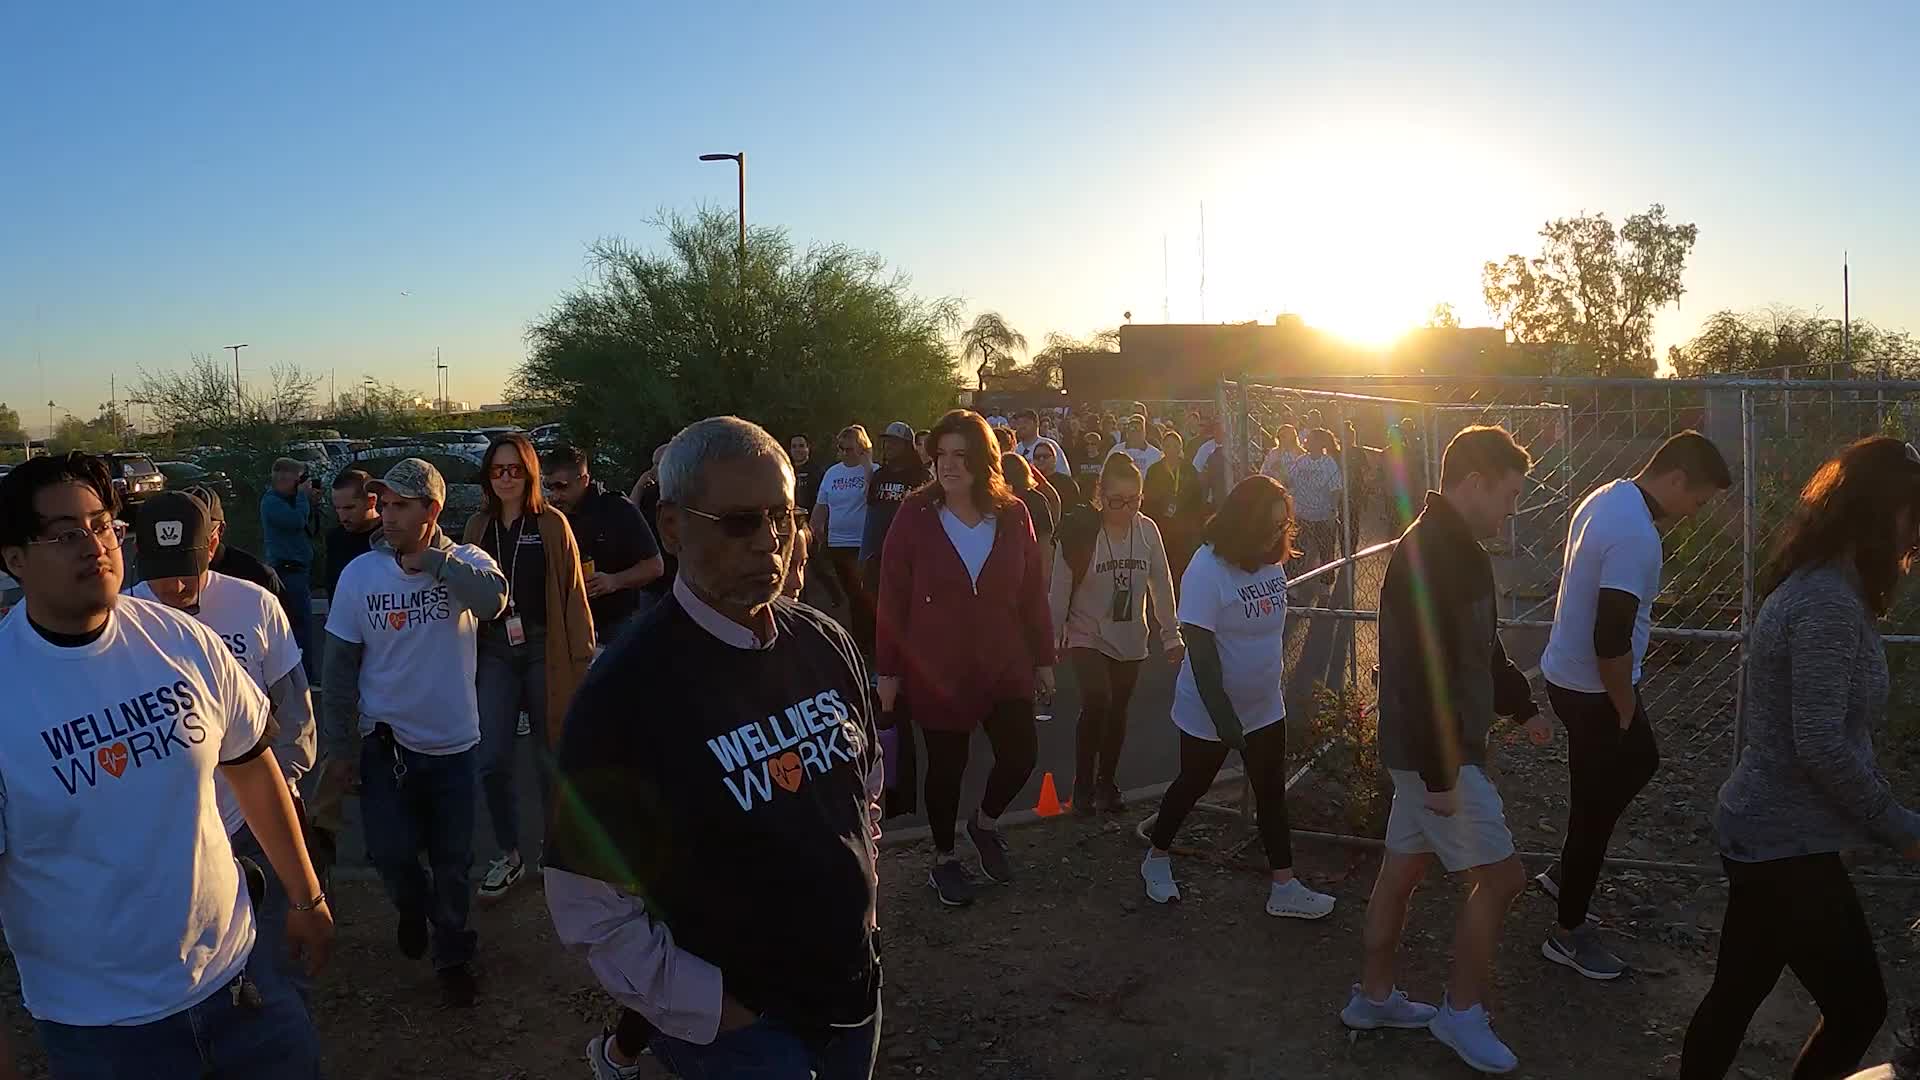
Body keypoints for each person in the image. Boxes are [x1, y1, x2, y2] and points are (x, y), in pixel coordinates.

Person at [545, 417, 883, 1080]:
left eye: (782, 516)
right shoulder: (626, 692)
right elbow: (588, 900)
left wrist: (866, 909)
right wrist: (711, 1009)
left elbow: (864, 788)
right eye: (738, 522)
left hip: (855, 990)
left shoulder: (825, 641)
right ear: (672, 527)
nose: (769, 542)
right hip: (746, 1031)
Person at [0, 453, 330, 1075]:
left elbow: (254, 769)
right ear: (14, 559)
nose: (94, 545)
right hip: (105, 1030)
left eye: (103, 526)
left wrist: (307, 897)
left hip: (243, 984)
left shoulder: (183, 640)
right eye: (66, 533)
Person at [1679, 437, 1920, 1080]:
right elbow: (1819, 743)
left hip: (1768, 831)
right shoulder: (1827, 603)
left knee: (1737, 992)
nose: (1913, 537)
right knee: (1859, 1006)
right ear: (1881, 513)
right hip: (1784, 841)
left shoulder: (1826, 587)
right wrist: (1902, 829)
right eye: (1912, 517)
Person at [1342, 425, 1550, 1074]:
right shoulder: (1435, 553)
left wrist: (1520, 705)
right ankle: (1461, 1016)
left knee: (1401, 872)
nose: (1513, 508)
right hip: (1438, 756)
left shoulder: (1459, 549)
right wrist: (1439, 773)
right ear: (1473, 484)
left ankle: (1374, 999)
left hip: (1428, 755)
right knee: (1503, 877)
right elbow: (1421, 670)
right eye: (1510, 494)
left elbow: (1480, 649)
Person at [1536, 430, 1732, 979]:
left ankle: (1567, 871)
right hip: (1595, 688)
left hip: (1570, 676)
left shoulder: (1607, 495)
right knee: (1597, 806)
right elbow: (1611, 636)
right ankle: (1568, 932)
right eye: (1698, 500)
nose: (1697, 512)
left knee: (1634, 767)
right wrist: (1624, 705)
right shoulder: (1637, 534)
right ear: (1675, 480)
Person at [321, 457, 508, 1006]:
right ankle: (411, 907)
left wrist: (435, 562)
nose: (387, 516)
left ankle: (453, 953)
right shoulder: (360, 575)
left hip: (453, 745)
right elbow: (338, 670)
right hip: (386, 745)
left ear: (433, 510)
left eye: (402, 506)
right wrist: (341, 749)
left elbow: (493, 602)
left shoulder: (467, 561)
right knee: (392, 854)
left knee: (453, 862)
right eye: (385, 505)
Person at [128, 491, 319, 1002]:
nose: (174, 585)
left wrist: (286, 783)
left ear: (211, 545)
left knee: (278, 950)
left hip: (254, 818)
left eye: (186, 568)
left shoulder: (254, 602)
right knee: (196, 955)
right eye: (160, 570)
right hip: (180, 829)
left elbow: (293, 702)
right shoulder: (125, 622)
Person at [878, 410, 1055, 907]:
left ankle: (985, 823)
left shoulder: (1014, 514)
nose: (949, 466)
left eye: (961, 456)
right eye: (941, 456)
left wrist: (1043, 658)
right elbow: (891, 596)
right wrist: (887, 670)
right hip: (938, 667)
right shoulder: (914, 514)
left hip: (1005, 661)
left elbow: (1031, 593)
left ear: (984, 460)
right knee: (946, 768)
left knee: (1021, 753)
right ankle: (942, 858)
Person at [1140, 475, 1336, 920]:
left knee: (1271, 792)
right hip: (1211, 709)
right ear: (1242, 524)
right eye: (1269, 527)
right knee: (1193, 784)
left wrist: (1260, 703)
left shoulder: (1270, 561)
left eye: (1282, 525)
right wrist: (1224, 719)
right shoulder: (1206, 569)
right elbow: (1202, 653)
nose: (1278, 535)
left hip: (1265, 705)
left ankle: (1284, 887)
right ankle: (1156, 856)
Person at [465, 433, 596, 902]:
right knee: (491, 760)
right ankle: (509, 852)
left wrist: (583, 657)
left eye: (513, 470)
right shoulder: (478, 527)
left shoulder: (552, 525)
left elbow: (574, 596)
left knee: (550, 756)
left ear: (529, 474)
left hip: (545, 647)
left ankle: (553, 851)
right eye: (497, 470)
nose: (505, 479)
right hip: (496, 649)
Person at [1052, 453, 1181, 813]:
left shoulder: (1147, 530)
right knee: (1098, 701)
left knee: (1118, 711)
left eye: (1134, 501)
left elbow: (1161, 582)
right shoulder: (1082, 532)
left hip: (1130, 636)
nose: (1125, 510)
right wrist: (1052, 636)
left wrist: (1171, 634)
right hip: (1087, 632)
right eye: (1116, 501)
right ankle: (1082, 785)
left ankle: (1106, 782)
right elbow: (1059, 586)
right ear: (1100, 495)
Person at [543, 444, 664, 641]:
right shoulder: (549, 515)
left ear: (584, 480)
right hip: (564, 623)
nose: (555, 496)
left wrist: (613, 581)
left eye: (562, 487)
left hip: (615, 622)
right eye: (549, 487)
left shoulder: (617, 509)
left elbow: (655, 566)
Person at [859, 422, 929, 648]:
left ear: (906, 446)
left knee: (906, 607)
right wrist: (864, 553)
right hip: (878, 553)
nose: (888, 446)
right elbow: (871, 514)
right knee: (878, 608)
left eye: (894, 442)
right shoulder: (880, 475)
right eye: (886, 441)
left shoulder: (920, 476)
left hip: (908, 554)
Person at [259, 457, 321, 681]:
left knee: (301, 624)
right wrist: (304, 499)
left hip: (298, 569)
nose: (303, 484)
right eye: (300, 480)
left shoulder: (289, 501)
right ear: (286, 479)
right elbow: (296, 521)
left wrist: (309, 502)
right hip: (287, 570)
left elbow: (308, 526)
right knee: (298, 625)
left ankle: (305, 674)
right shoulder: (272, 503)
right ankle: (303, 677)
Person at [814, 424, 875, 639]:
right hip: (838, 542)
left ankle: (864, 640)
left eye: (850, 449)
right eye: (841, 448)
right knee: (850, 593)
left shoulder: (872, 470)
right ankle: (859, 638)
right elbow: (821, 506)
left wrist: (867, 463)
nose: (844, 453)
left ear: (861, 448)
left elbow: (872, 497)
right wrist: (817, 531)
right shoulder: (832, 473)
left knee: (861, 593)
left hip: (862, 542)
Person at [1144, 429, 1205, 586]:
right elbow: (1148, 499)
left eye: (1175, 446)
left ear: (1180, 448)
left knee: (1183, 569)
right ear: (1163, 448)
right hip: (1162, 528)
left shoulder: (1189, 469)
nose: (1171, 450)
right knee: (1163, 568)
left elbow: (1198, 498)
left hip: (1184, 529)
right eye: (1168, 446)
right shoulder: (1154, 470)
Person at [1288, 428, 1346, 571]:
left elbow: (1336, 489)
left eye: (1311, 439)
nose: (1307, 441)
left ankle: (1325, 582)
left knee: (1325, 550)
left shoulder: (1328, 462)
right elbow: (1290, 481)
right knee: (1298, 549)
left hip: (1322, 514)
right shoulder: (1301, 461)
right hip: (1302, 513)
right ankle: (1296, 581)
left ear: (1319, 443)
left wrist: (1332, 511)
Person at [630, 443, 679, 603]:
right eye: (653, 464)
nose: (653, 469)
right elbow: (630, 513)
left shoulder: (680, 493)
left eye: (658, 464)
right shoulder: (649, 492)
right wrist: (639, 485)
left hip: (676, 574)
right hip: (653, 582)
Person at [1003, 454, 1056, 594]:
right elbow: (1047, 548)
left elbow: (1046, 544)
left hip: (1024, 572)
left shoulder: (1036, 501)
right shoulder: (1038, 500)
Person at [325, 468, 381, 597]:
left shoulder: (391, 536)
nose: (343, 516)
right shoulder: (335, 539)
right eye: (337, 508)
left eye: (349, 508)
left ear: (371, 501)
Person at [1013, 409, 1069, 478]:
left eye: (1026, 422)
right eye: (1018, 423)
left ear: (1037, 424)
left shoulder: (1049, 445)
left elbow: (1064, 473)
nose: (1021, 427)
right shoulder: (1015, 450)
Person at [1033, 439, 1080, 508]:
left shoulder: (1067, 483)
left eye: (1045, 456)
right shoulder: (1030, 483)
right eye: (1037, 457)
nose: (1041, 459)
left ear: (1054, 459)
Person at [790, 434, 822, 514]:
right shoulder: (785, 470)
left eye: (801, 446)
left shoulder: (817, 471)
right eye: (794, 446)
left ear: (808, 448)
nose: (797, 449)